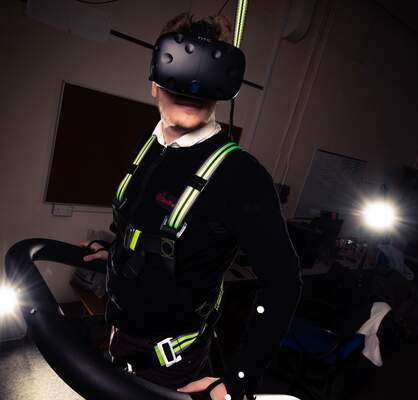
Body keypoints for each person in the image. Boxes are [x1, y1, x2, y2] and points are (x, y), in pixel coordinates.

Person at [80, 13, 301, 400]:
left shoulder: (241, 175)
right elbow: (148, 226)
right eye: (178, 71)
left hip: (172, 363)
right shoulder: (149, 147)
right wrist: (114, 252)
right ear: (155, 80)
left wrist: (239, 380)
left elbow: (283, 283)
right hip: (116, 334)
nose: (191, 88)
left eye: (204, 76)